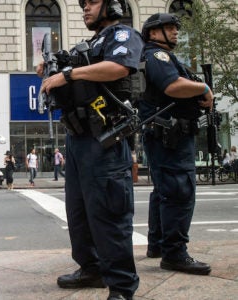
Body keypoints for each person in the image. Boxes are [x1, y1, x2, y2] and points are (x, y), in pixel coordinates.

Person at [38, 0, 143, 298]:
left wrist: (67, 74)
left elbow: (118, 67)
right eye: (83, 4)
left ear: (112, 5)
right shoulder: (89, 45)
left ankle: (121, 285)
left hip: (105, 137)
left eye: (93, 2)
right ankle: (91, 268)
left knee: (109, 212)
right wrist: (50, 72)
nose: (85, 8)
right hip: (78, 138)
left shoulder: (121, 35)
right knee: (79, 211)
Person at [139, 13, 213, 276]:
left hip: (164, 135)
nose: (175, 32)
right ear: (153, 33)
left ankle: (158, 245)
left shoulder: (155, 55)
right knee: (180, 191)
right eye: (169, 28)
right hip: (171, 137)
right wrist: (203, 87)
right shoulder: (158, 56)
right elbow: (172, 86)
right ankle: (175, 254)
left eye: (175, 27)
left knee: (163, 191)